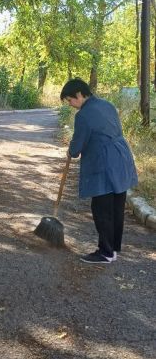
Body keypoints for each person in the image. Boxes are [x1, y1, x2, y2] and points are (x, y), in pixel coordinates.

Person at [60, 78, 138, 265]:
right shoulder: (107, 105)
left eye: (70, 100)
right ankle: (113, 249)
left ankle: (105, 252)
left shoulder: (83, 115)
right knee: (116, 206)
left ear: (79, 94)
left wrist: (71, 151)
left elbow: (77, 145)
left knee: (101, 208)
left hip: (104, 163)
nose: (70, 105)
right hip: (121, 158)